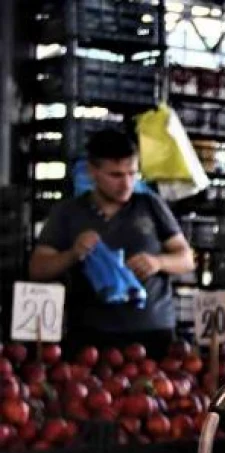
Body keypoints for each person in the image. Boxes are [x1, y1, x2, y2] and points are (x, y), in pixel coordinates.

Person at [29, 128, 194, 360]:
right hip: (91, 336)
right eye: (116, 175)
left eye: (132, 173)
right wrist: (73, 253)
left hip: (153, 332)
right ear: (92, 171)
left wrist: (158, 262)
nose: (126, 183)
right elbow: (37, 268)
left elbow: (186, 259)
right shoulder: (69, 212)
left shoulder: (150, 205)